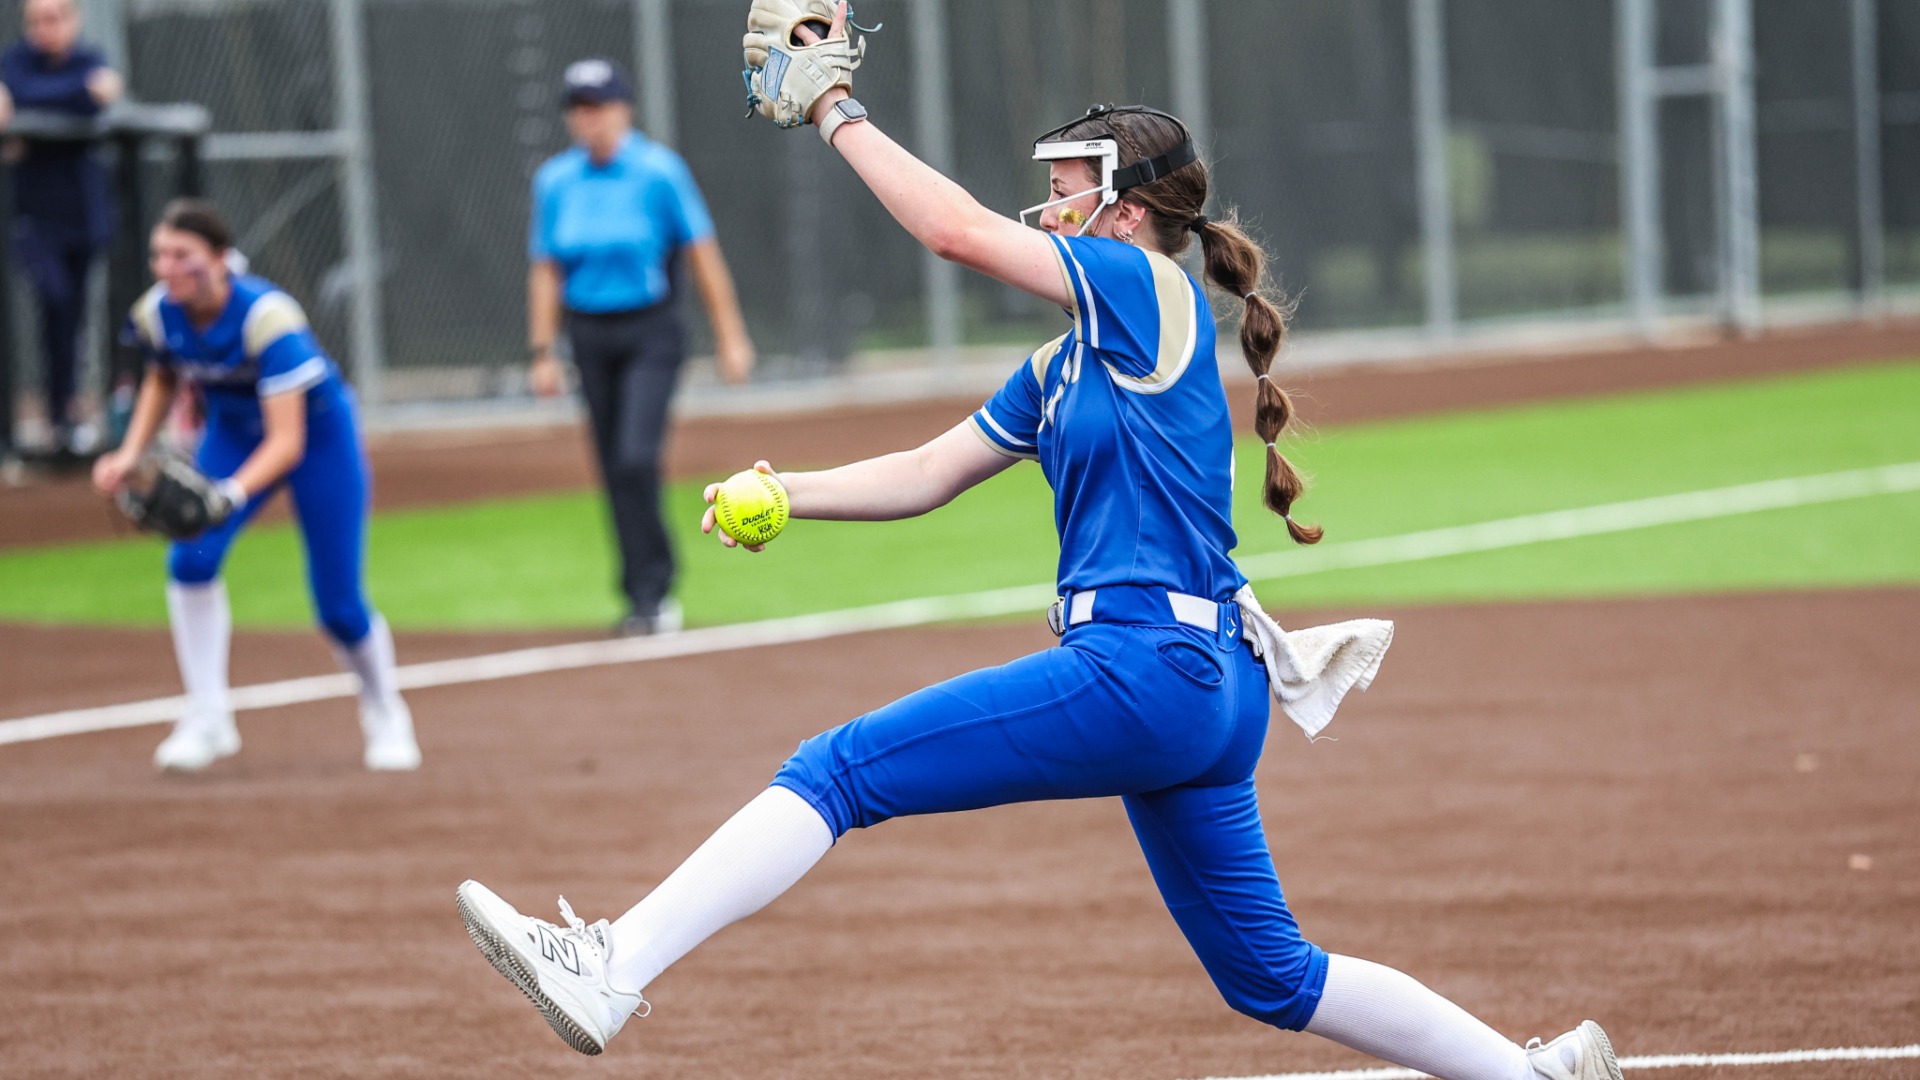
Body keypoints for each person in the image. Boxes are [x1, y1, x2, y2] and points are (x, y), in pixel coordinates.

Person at [456, 8, 1621, 1080]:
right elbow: (928, 474)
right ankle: (1523, 1078)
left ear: (1126, 210)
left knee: (836, 769)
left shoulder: (1142, 283)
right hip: (1205, 690)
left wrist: (832, 105)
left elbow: (953, 232)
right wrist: (785, 490)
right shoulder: (1068, 360)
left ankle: (611, 968)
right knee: (1273, 977)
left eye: (1069, 187)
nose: (1049, 204)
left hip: (1145, 669)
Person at [91, 198, 420, 774]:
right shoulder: (156, 314)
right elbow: (161, 377)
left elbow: (287, 441)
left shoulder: (268, 318)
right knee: (190, 561)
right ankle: (209, 716)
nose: (168, 267)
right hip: (235, 434)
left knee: (339, 606)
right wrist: (129, 452)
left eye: (182, 255)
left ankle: (384, 708)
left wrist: (229, 495)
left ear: (220, 259)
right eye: (159, 255)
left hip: (318, 441)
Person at [528, 57, 757, 637]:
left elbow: (702, 253)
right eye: (579, 109)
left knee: (635, 456)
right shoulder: (556, 181)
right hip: (588, 332)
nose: (590, 120)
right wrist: (542, 350)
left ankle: (657, 584)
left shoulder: (658, 172)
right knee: (611, 466)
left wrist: (731, 336)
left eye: (599, 106)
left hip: (651, 330)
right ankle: (640, 597)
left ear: (624, 109)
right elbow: (546, 268)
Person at [0, 0, 123, 454]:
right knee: (53, 301)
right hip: (33, 217)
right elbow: (34, 92)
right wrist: (75, 95)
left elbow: (98, 92)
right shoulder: (14, 61)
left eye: (53, 19)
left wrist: (29, 108)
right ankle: (51, 414)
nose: (44, 29)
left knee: (76, 316)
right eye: (36, 20)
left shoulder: (91, 58)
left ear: (73, 21)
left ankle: (72, 415)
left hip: (83, 215)